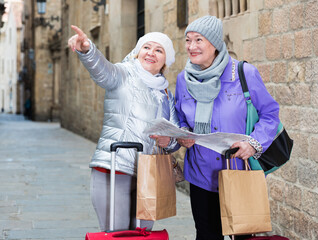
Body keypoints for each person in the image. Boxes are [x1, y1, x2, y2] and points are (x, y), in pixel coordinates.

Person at [175, 16, 280, 240]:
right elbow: (180, 116)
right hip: (200, 172)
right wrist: (182, 133)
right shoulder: (183, 79)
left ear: (214, 43)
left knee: (242, 236)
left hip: (238, 170)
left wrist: (253, 143)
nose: (191, 47)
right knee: (206, 235)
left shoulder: (243, 73)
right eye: (188, 40)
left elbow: (270, 115)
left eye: (198, 40)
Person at [68, 26, 180, 232]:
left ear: (166, 60)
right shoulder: (123, 73)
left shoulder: (165, 93)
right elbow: (102, 70)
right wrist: (87, 49)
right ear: (138, 51)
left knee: (144, 232)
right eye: (146, 47)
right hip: (114, 167)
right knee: (117, 232)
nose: (151, 53)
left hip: (149, 174)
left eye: (159, 50)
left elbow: (174, 136)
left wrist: (169, 141)